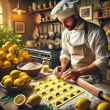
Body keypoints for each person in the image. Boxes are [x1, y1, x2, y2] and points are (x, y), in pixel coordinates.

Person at [51, 0, 109, 83]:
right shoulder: (65, 33)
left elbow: (102, 60)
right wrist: (63, 66)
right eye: (61, 22)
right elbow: (65, 53)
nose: (64, 26)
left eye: (66, 20)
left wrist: (79, 72)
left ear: (76, 14)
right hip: (72, 77)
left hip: (92, 79)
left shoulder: (97, 32)